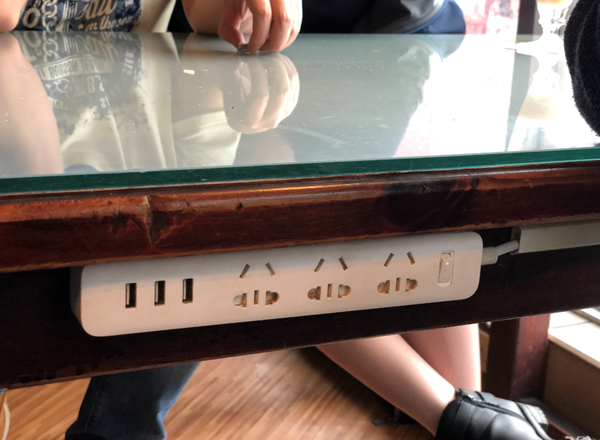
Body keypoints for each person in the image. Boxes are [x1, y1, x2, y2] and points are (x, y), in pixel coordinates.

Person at [0, 2, 552, 439]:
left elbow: (210, 19)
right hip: (88, 111)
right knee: (257, 244)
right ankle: (470, 415)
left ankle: (468, 415)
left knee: (256, 233)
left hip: (345, 57)